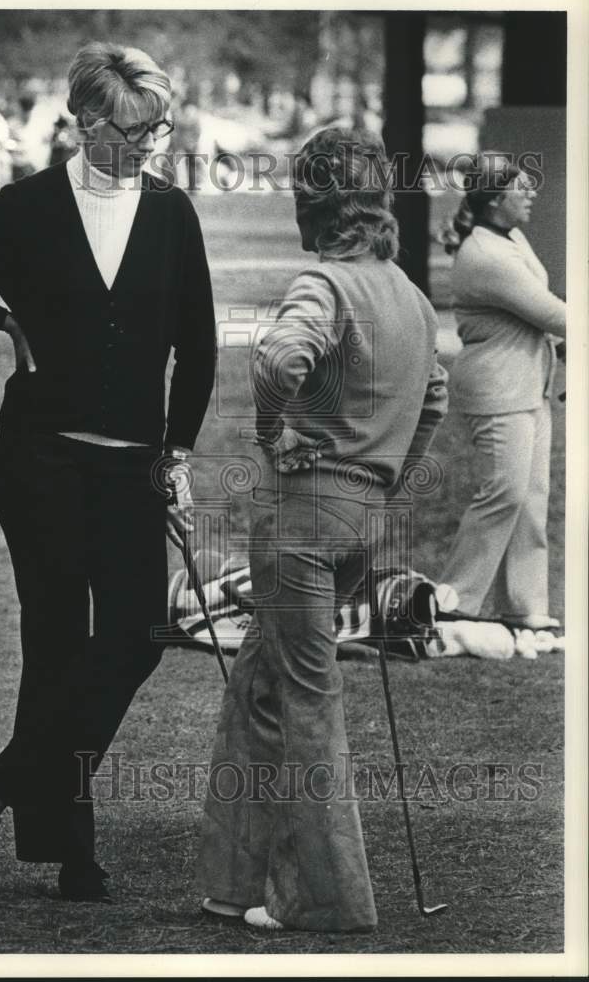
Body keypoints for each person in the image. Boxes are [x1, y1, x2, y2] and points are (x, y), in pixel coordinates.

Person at [0, 42, 215, 903]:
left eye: (160, 126)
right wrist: (0, 320)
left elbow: (201, 342)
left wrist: (177, 450)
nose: (152, 143)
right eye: (137, 128)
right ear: (86, 122)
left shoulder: (173, 213)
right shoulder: (27, 207)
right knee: (60, 647)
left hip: (133, 468)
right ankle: (72, 850)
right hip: (39, 463)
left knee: (139, 636)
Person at [195, 127, 448, 931]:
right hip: (359, 520)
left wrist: (275, 432)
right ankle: (234, 884)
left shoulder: (327, 284)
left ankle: (326, 901)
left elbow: (276, 363)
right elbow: (434, 398)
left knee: (305, 697)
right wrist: (384, 485)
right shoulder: (409, 293)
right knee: (261, 684)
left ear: (313, 208)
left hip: (302, 521)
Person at [439, 154, 566, 630]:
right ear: (495, 200)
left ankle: (524, 607)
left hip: (528, 382)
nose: (531, 192)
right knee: (504, 492)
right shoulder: (486, 254)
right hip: (497, 387)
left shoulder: (510, 237)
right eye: (521, 187)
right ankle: (455, 602)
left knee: (531, 495)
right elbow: (549, 312)